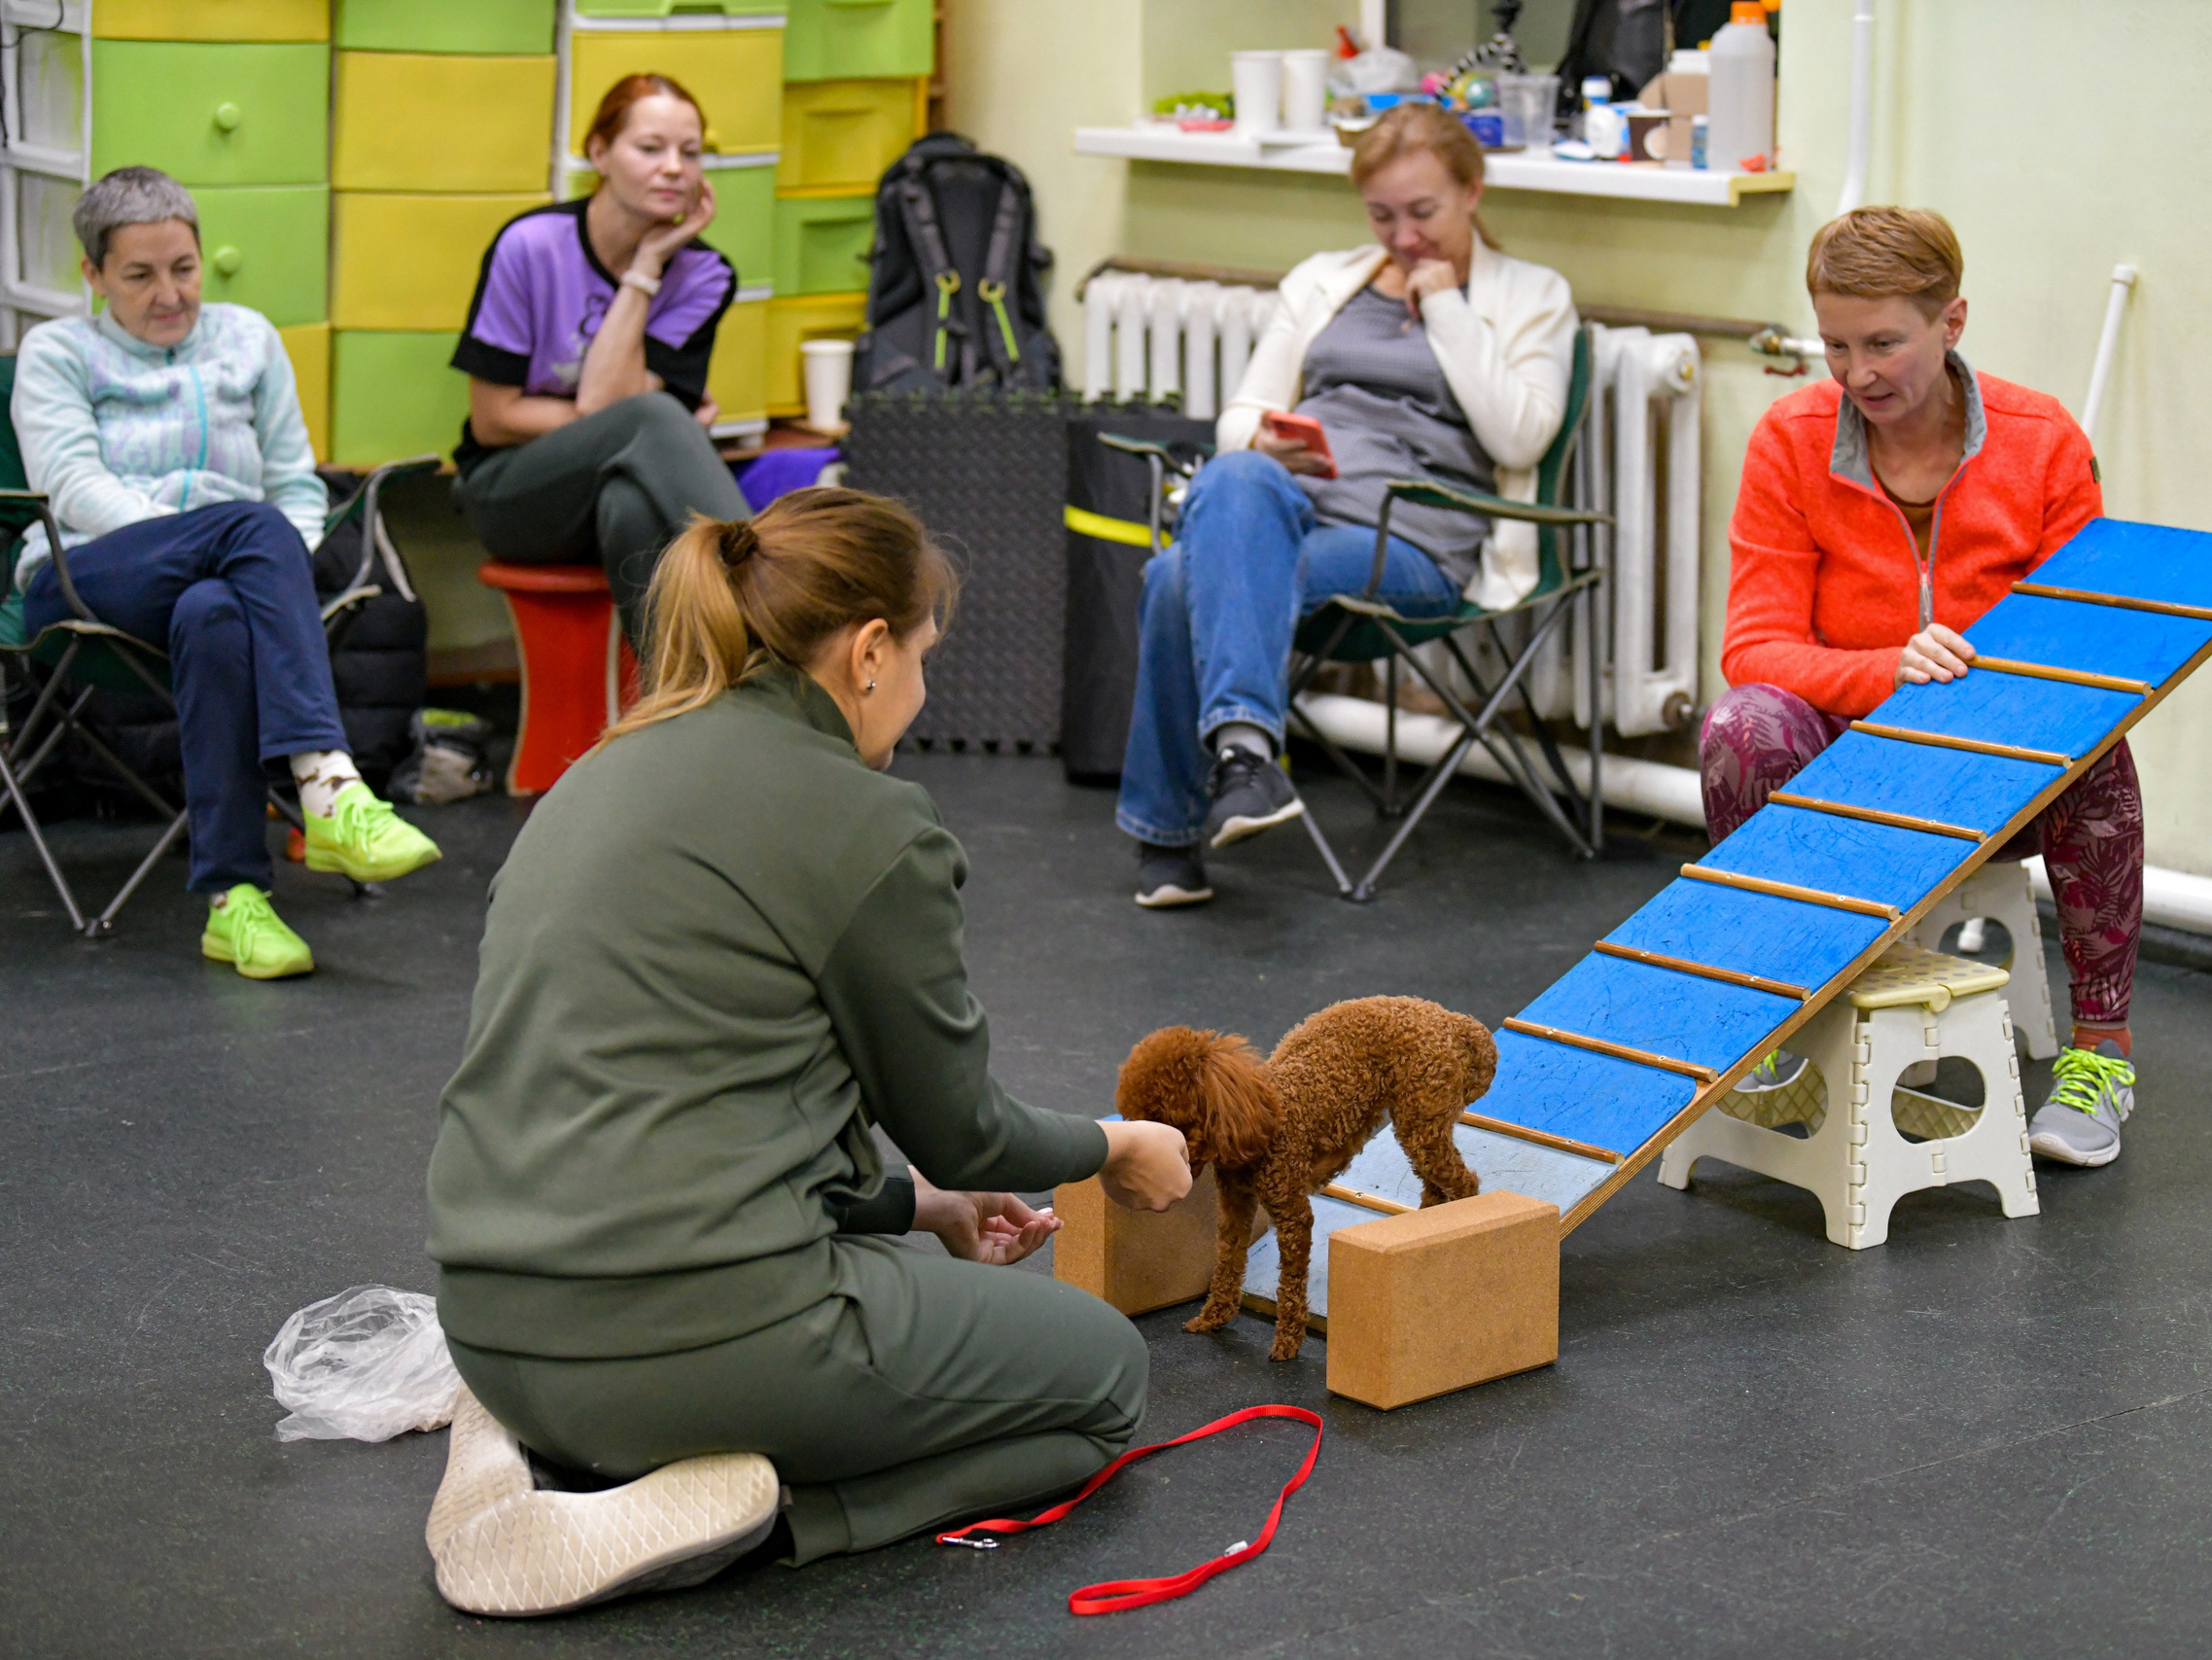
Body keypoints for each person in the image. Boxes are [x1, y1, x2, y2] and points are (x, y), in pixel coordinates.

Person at [423, 488, 1194, 1612]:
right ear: (871, 651)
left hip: (492, 1327)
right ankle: (766, 1522)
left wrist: (921, 1211)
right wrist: (1114, 1144)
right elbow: (961, 1128)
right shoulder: (867, 824)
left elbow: (712, 1106)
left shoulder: (599, 772)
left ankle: (545, 1457)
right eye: (924, 656)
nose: (923, 695)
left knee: (837, 1286)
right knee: (1103, 1386)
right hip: (690, 1340)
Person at [1711, 206, 2143, 1167]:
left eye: (1882, 343)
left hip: (2004, 776)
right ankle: (1775, 1020)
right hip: (1846, 757)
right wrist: (1883, 669)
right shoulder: (1789, 440)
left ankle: (2102, 1056)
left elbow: (2086, 645)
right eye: (1833, 345)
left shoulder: (2040, 441)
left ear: (1950, 324)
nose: (1857, 374)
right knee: (1742, 726)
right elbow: (1753, 646)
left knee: (2102, 745)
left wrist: (1996, 702)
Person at [1117, 103, 1578, 908]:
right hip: (1290, 507)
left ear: (1473, 189)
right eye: (1382, 215)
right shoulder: (1325, 280)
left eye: (1423, 213)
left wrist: (1445, 307)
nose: (1403, 237)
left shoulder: (1532, 295)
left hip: (1412, 540)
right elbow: (1241, 415)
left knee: (1177, 575)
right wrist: (1266, 442)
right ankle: (1246, 755)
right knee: (1234, 472)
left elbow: (1521, 438)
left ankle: (1172, 830)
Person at [10, 166, 440, 979]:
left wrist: (266, 562)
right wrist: (220, 537)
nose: (169, 293)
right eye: (138, 275)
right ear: (93, 276)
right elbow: (72, 487)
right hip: (84, 576)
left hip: (226, 581)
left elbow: (296, 485)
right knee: (247, 529)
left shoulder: (249, 338)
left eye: (184, 268)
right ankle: (328, 785)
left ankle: (233, 903)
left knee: (214, 610)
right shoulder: (57, 351)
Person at [449, 73, 749, 639]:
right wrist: (646, 429)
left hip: (611, 488)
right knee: (654, 416)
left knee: (630, 506)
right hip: (510, 490)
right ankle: (769, 584)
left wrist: (650, 262)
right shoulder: (530, 246)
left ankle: (671, 706)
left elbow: (606, 406)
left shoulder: (704, 275)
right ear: (599, 152)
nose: (674, 168)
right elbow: (494, 421)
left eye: (690, 153)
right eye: (650, 148)